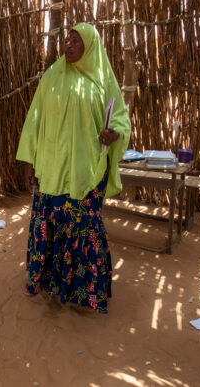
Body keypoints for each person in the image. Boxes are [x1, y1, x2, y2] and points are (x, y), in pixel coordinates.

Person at [16, 23, 130, 313]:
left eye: (75, 41)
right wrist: (29, 162)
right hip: (52, 169)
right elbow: (34, 120)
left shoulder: (103, 80)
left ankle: (83, 292)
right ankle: (47, 282)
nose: (68, 45)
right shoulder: (52, 77)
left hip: (86, 171)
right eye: (66, 40)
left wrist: (113, 134)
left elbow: (120, 120)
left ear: (89, 46)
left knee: (81, 227)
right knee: (48, 224)